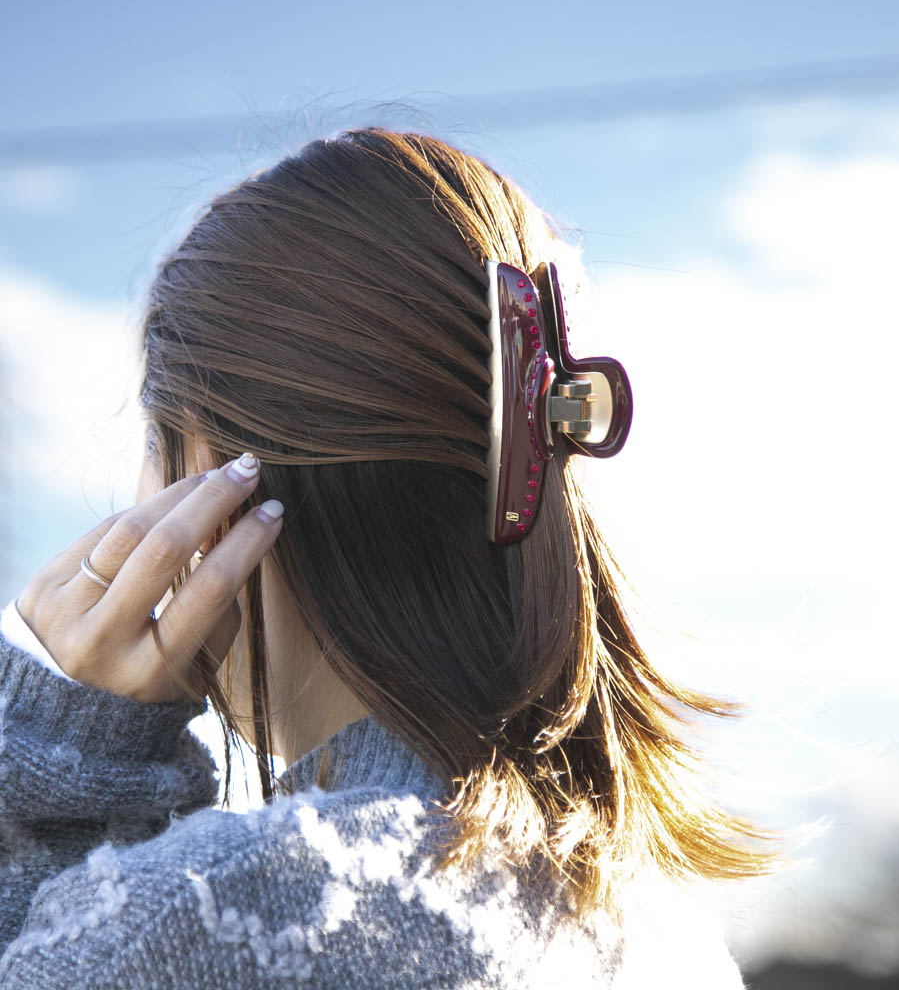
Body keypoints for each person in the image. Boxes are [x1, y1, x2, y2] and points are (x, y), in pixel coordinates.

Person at [0, 129, 771, 988]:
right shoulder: (661, 929)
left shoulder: (195, 925)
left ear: (215, 470)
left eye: (154, 443)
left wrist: (62, 769)